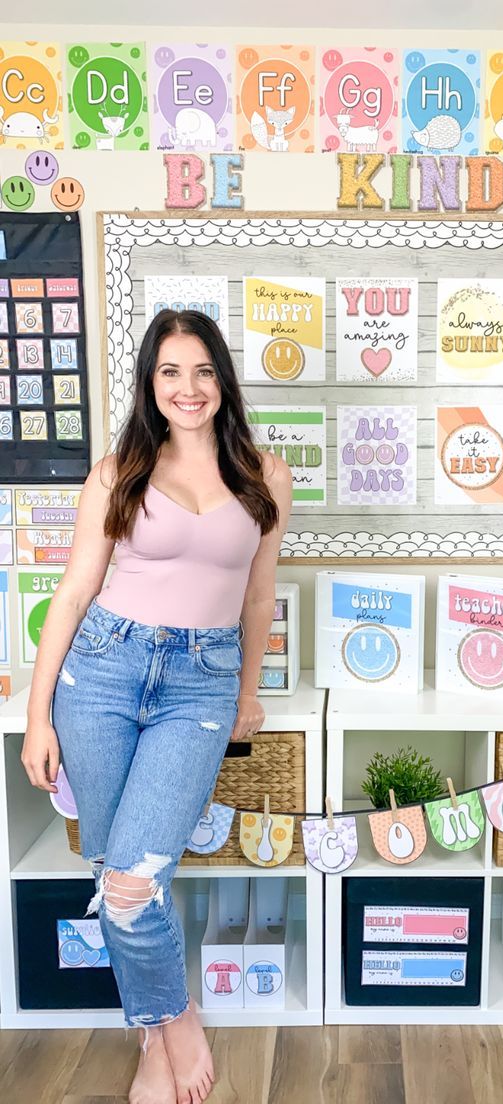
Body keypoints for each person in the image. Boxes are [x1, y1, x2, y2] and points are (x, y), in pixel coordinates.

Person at [21, 309, 292, 1104]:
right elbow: (72, 595)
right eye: (170, 372)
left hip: (200, 685)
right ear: (150, 383)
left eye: (203, 370)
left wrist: (246, 693)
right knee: (116, 874)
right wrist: (39, 717)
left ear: (222, 380)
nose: (188, 387)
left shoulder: (265, 475)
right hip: (101, 673)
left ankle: (170, 1019)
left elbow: (258, 595)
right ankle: (162, 1034)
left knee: (135, 885)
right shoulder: (119, 472)